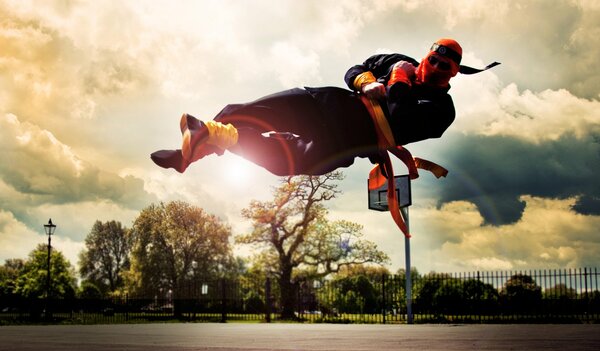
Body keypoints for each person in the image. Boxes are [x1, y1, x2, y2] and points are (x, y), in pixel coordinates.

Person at [151, 38, 498, 235]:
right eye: (433, 59)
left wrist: (398, 79)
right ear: (427, 54)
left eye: (444, 67)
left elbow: (402, 114)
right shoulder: (397, 60)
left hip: (346, 141)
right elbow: (355, 69)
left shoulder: (442, 109)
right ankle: (194, 146)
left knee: (282, 162)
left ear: (454, 73)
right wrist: (365, 81)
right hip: (324, 102)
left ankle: (213, 139)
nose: (435, 68)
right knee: (241, 111)